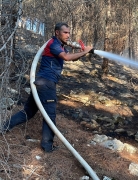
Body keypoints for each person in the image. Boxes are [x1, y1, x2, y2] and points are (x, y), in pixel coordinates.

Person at [3, 22, 94, 152]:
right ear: (57, 32)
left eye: (69, 32)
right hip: (46, 84)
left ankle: (3, 127)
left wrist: (82, 53)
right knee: (49, 115)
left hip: (41, 83)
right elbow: (67, 58)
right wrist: (85, 51)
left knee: (28, 112)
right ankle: (47, 146)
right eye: (65, 32)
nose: (68, 35)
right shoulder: (53, 44)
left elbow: (71, 58)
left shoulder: (59, 45)